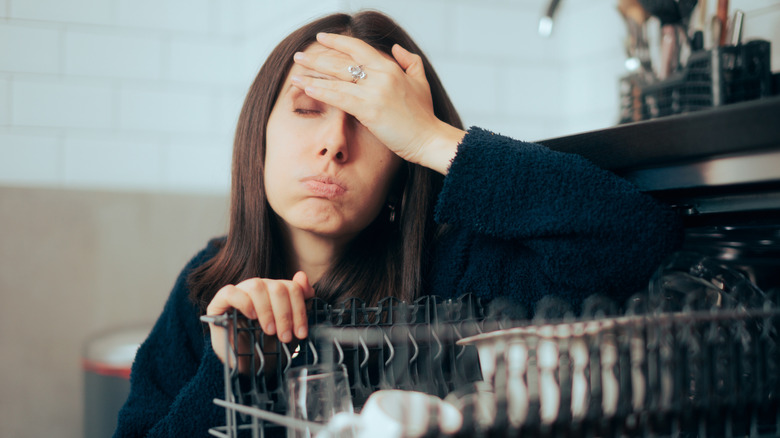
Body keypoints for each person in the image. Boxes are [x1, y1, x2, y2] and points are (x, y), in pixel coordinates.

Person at [113, 10, 682, 437]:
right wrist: (229, 368)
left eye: (370, 122)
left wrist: (433, 138)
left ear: (401, 163)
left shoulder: (461, 268)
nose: (335, 143)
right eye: (308, 110)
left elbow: (638, 238)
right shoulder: (208, 288)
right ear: (257, 137)